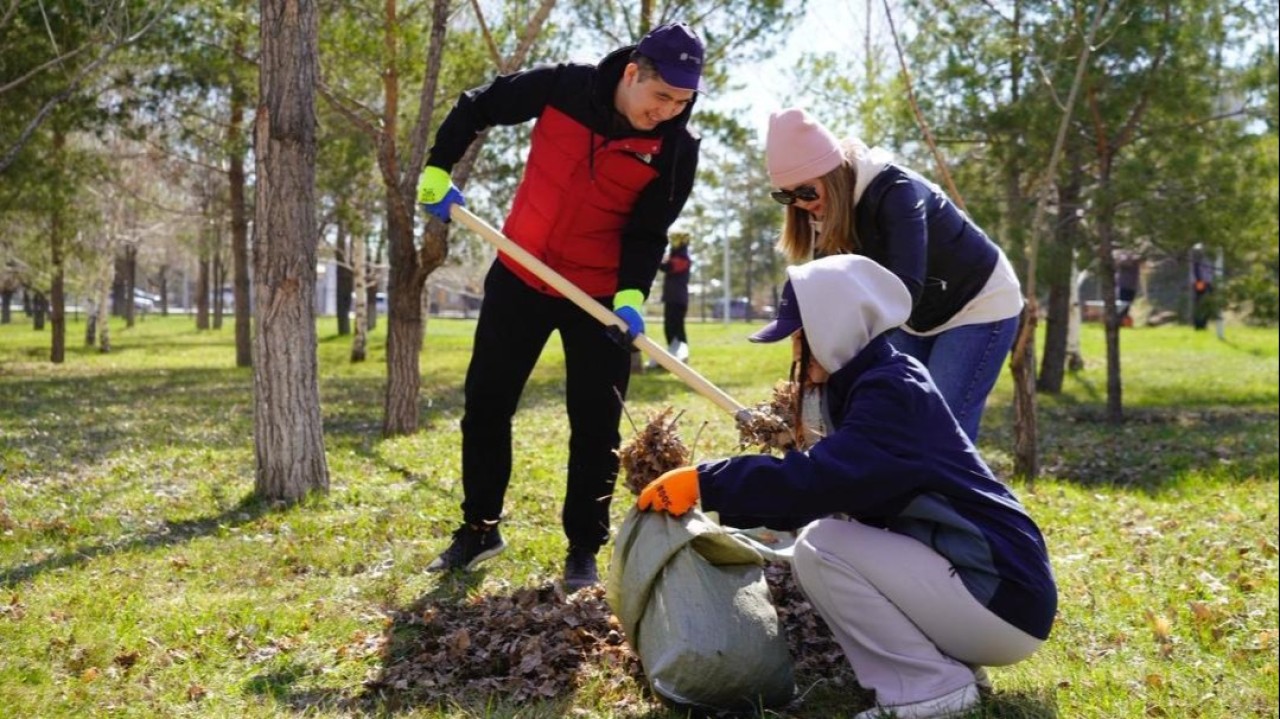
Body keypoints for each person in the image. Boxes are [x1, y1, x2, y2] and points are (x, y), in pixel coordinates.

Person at [636, 255, 1057, 719]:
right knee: (828, 538)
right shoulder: (879, 381)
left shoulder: (893, 395)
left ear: (834, 328)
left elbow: (819, 482)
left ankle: (927, 689)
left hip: (1001, 596)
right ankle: (949, 672)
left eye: (800, 334)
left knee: (823, 545)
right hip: (997, 594)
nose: (795, 349)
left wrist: (707, 484)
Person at [415, 23, 705, 590]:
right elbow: (480, 106)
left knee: (595, 426)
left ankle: (583, 549)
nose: (668, 111)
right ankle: (479, 529)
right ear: (631, 73)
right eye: (661, 96)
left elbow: (649, 232)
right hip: (521, 271)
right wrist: (437, 167)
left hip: (596, 297)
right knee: (488, 405)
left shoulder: (675, 149)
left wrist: (628, 297)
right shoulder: (564, 87)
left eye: (682, 102)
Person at [763, 107, 1022, 443]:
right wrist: (814, 354)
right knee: (891, 416)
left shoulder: (895, 191)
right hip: (910, 316)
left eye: (807, 191)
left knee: (941, 430)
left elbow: (905, 289)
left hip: (976, 306)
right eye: (787, 195)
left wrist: (837, 361)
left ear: (832, 173)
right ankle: (893, 494)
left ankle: (955, 496)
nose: (800, 203)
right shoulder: (820, 213)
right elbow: (823, 298)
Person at [658, 231, 692, 361]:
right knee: (669, 328)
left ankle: (682, 356)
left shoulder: (683, 259)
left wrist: (656, 257)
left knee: (677, 328)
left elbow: (668, 267)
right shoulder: (675, 256)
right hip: (671, 298)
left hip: (678, 299)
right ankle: (673, 356)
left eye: (675, 240)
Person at [1190, 243, 1214, 330]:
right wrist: (1199, 281)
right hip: (1200, 282)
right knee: (1199, 304)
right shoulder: (1198, 250)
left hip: (1208, 281)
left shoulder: (1211, 254)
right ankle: (1198, 325)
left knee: (1208, 304)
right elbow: (1195, 268)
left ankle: (1204, 324)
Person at [1115, 250, 1141, 327]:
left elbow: (1132, 262)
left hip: (1131, 286)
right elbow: (1121, 263)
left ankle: (1124, 321)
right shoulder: (1121, 257)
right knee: (1121, 305)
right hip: (1122, 286)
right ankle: (1120, 322)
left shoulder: (1135, 259)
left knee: (1127, 305)